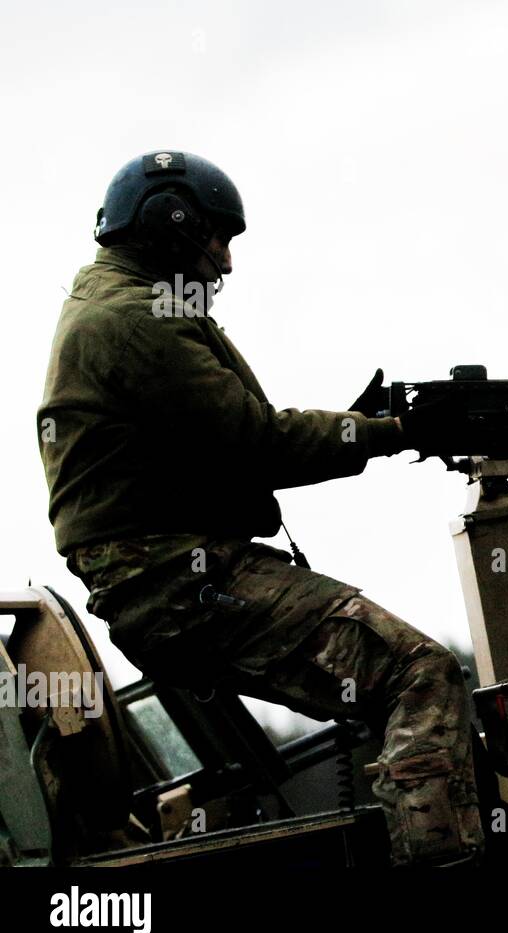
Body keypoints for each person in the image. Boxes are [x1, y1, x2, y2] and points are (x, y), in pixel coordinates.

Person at [36, 150, 484, 865]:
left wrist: (353, 426)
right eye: (219, 238)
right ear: (170, 225)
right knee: (417, 674)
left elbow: (228, 435)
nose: (227, 262)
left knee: (395, 680)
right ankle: (444, 863)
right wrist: (393, 434)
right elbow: (258, 442)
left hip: (167, 577)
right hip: (179, 580)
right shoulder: (135, 318)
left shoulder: (115, 305)